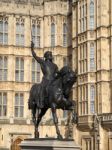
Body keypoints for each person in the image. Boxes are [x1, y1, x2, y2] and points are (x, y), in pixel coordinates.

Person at [31, 41, 59, 108]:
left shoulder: (55, 65)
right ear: (46, 57)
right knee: (42, 88)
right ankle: (41, 102)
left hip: (53, 81)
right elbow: (35, 56)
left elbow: (57, 73)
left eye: (51, 55)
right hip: (46, 80)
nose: (51, 56)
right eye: (49, 55)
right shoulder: (43, 62)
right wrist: (32, 48)